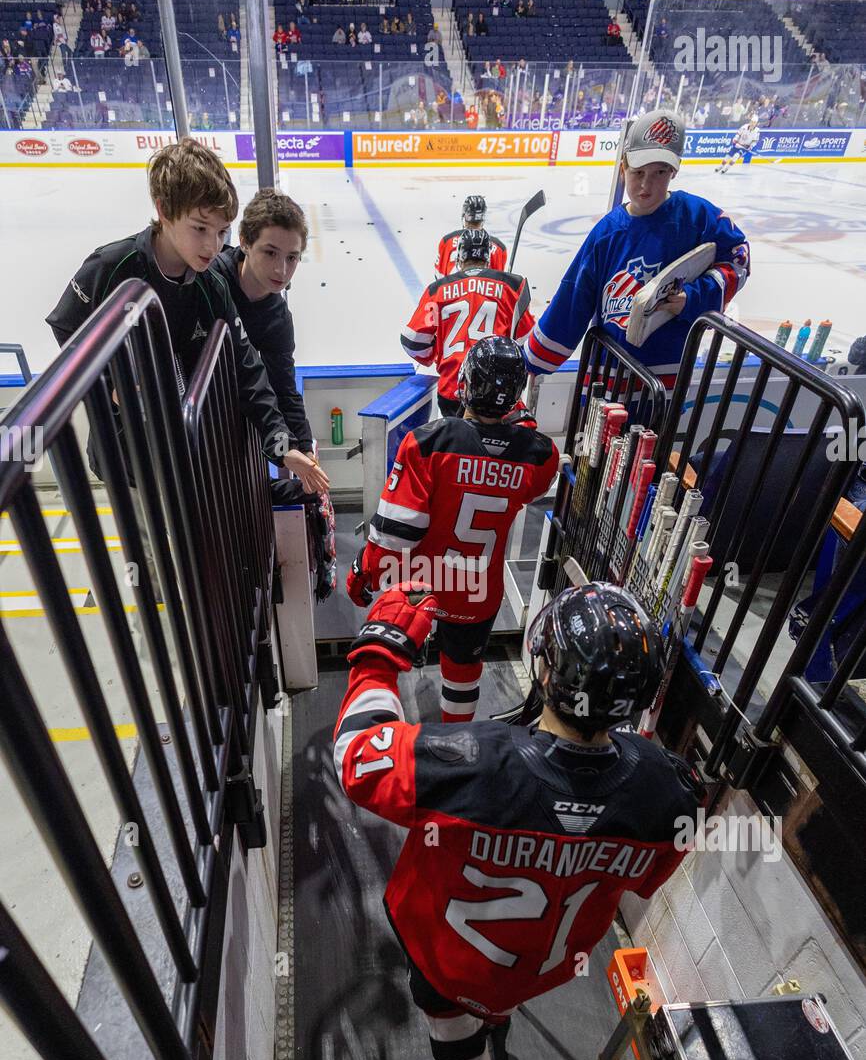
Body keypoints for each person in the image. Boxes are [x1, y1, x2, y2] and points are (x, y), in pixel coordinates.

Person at [334, 579, 702, 1060]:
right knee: (492, 1004)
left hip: (448, 961)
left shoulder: (470, 762)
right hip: (541, 967)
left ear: (548, 671)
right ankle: (494, 1025)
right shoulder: (670, 793)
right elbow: (645, 880)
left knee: (452, 1032)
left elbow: (358, 756)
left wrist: (380, 650)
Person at [46, 139, 320, 495]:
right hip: (128, 464)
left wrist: (285, 449)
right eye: (200, 228)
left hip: (187, 460)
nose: (212, 245)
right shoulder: (111, 267)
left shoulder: (212, 287)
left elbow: (249, 370)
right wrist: (109, 383)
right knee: (149, 548)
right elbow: (67, 329)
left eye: (221, 232)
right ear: (163, 210)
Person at [347, 336, 558, 725]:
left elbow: (395, 534)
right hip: (479, 592)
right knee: (463, 671)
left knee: (383, 659)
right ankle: (455, 743)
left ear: (465, 384)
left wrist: (364, 570)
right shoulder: (540, 455)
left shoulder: (429, 442)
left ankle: (384, 733)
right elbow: (528, 472)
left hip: (422, 584)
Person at [525, 109, 751, 392]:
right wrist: (531, 361)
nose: (646, 185)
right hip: (604, 380)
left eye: (659, 172)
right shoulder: (608, 232)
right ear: (623, 168)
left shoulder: (698, 217)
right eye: (638, 172)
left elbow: (739, 261)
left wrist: (693, 298)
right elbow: (573, 299)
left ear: (674, 170)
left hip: (663, 383)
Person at [214, 188, 325, 491]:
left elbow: (284, 389)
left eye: (292, 257)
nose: (282, 269)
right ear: (246, 242)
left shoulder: (277, 317)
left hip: (230, 434)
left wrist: (305, 451)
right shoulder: (210, 283)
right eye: (270, 253)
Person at [405, 228, 532, 419]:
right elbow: (526, 342)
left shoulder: (438, 289)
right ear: (488, 256)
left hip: (452, 389)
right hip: (497, 391)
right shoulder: (513, 286)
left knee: (456, 446)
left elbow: (412, 341)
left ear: (459, 257)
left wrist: (434, 355)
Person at [435, 193, 507, 278]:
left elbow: (439, 276)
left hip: (453, 288)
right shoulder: (499, 247)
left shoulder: (447, 241)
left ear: (464, 215)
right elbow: (499, 283)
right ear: (483, 217)